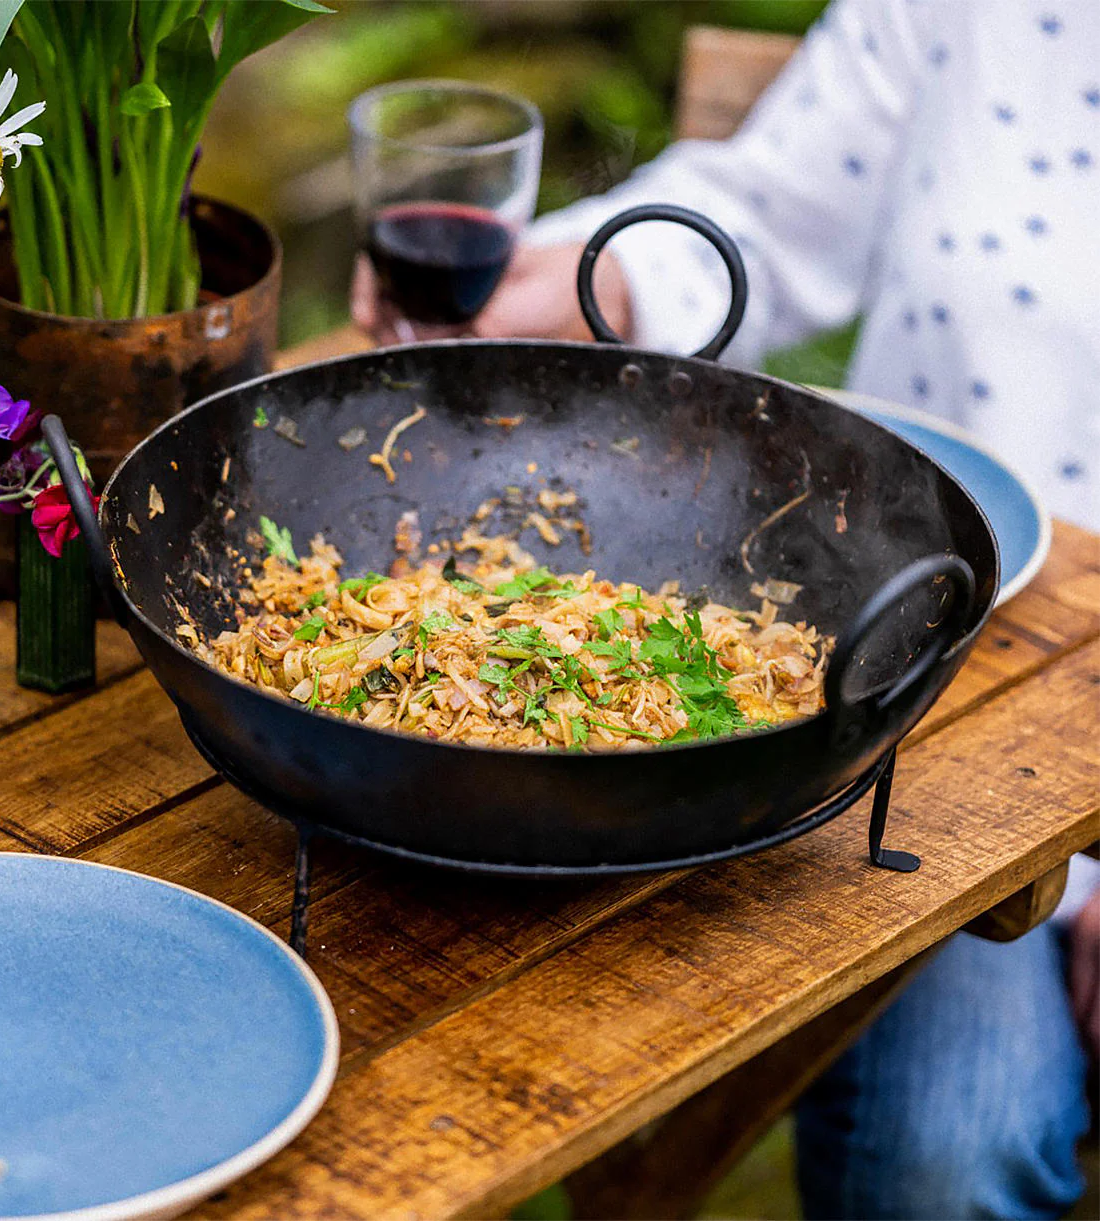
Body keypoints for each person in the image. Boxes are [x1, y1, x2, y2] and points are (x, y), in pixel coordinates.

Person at [353, 2, 1099, 1216]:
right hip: (903, 686)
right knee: (945, 1158)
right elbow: (769, 207)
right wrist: (566, 278)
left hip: (1038, 742)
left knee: (955, 1154)